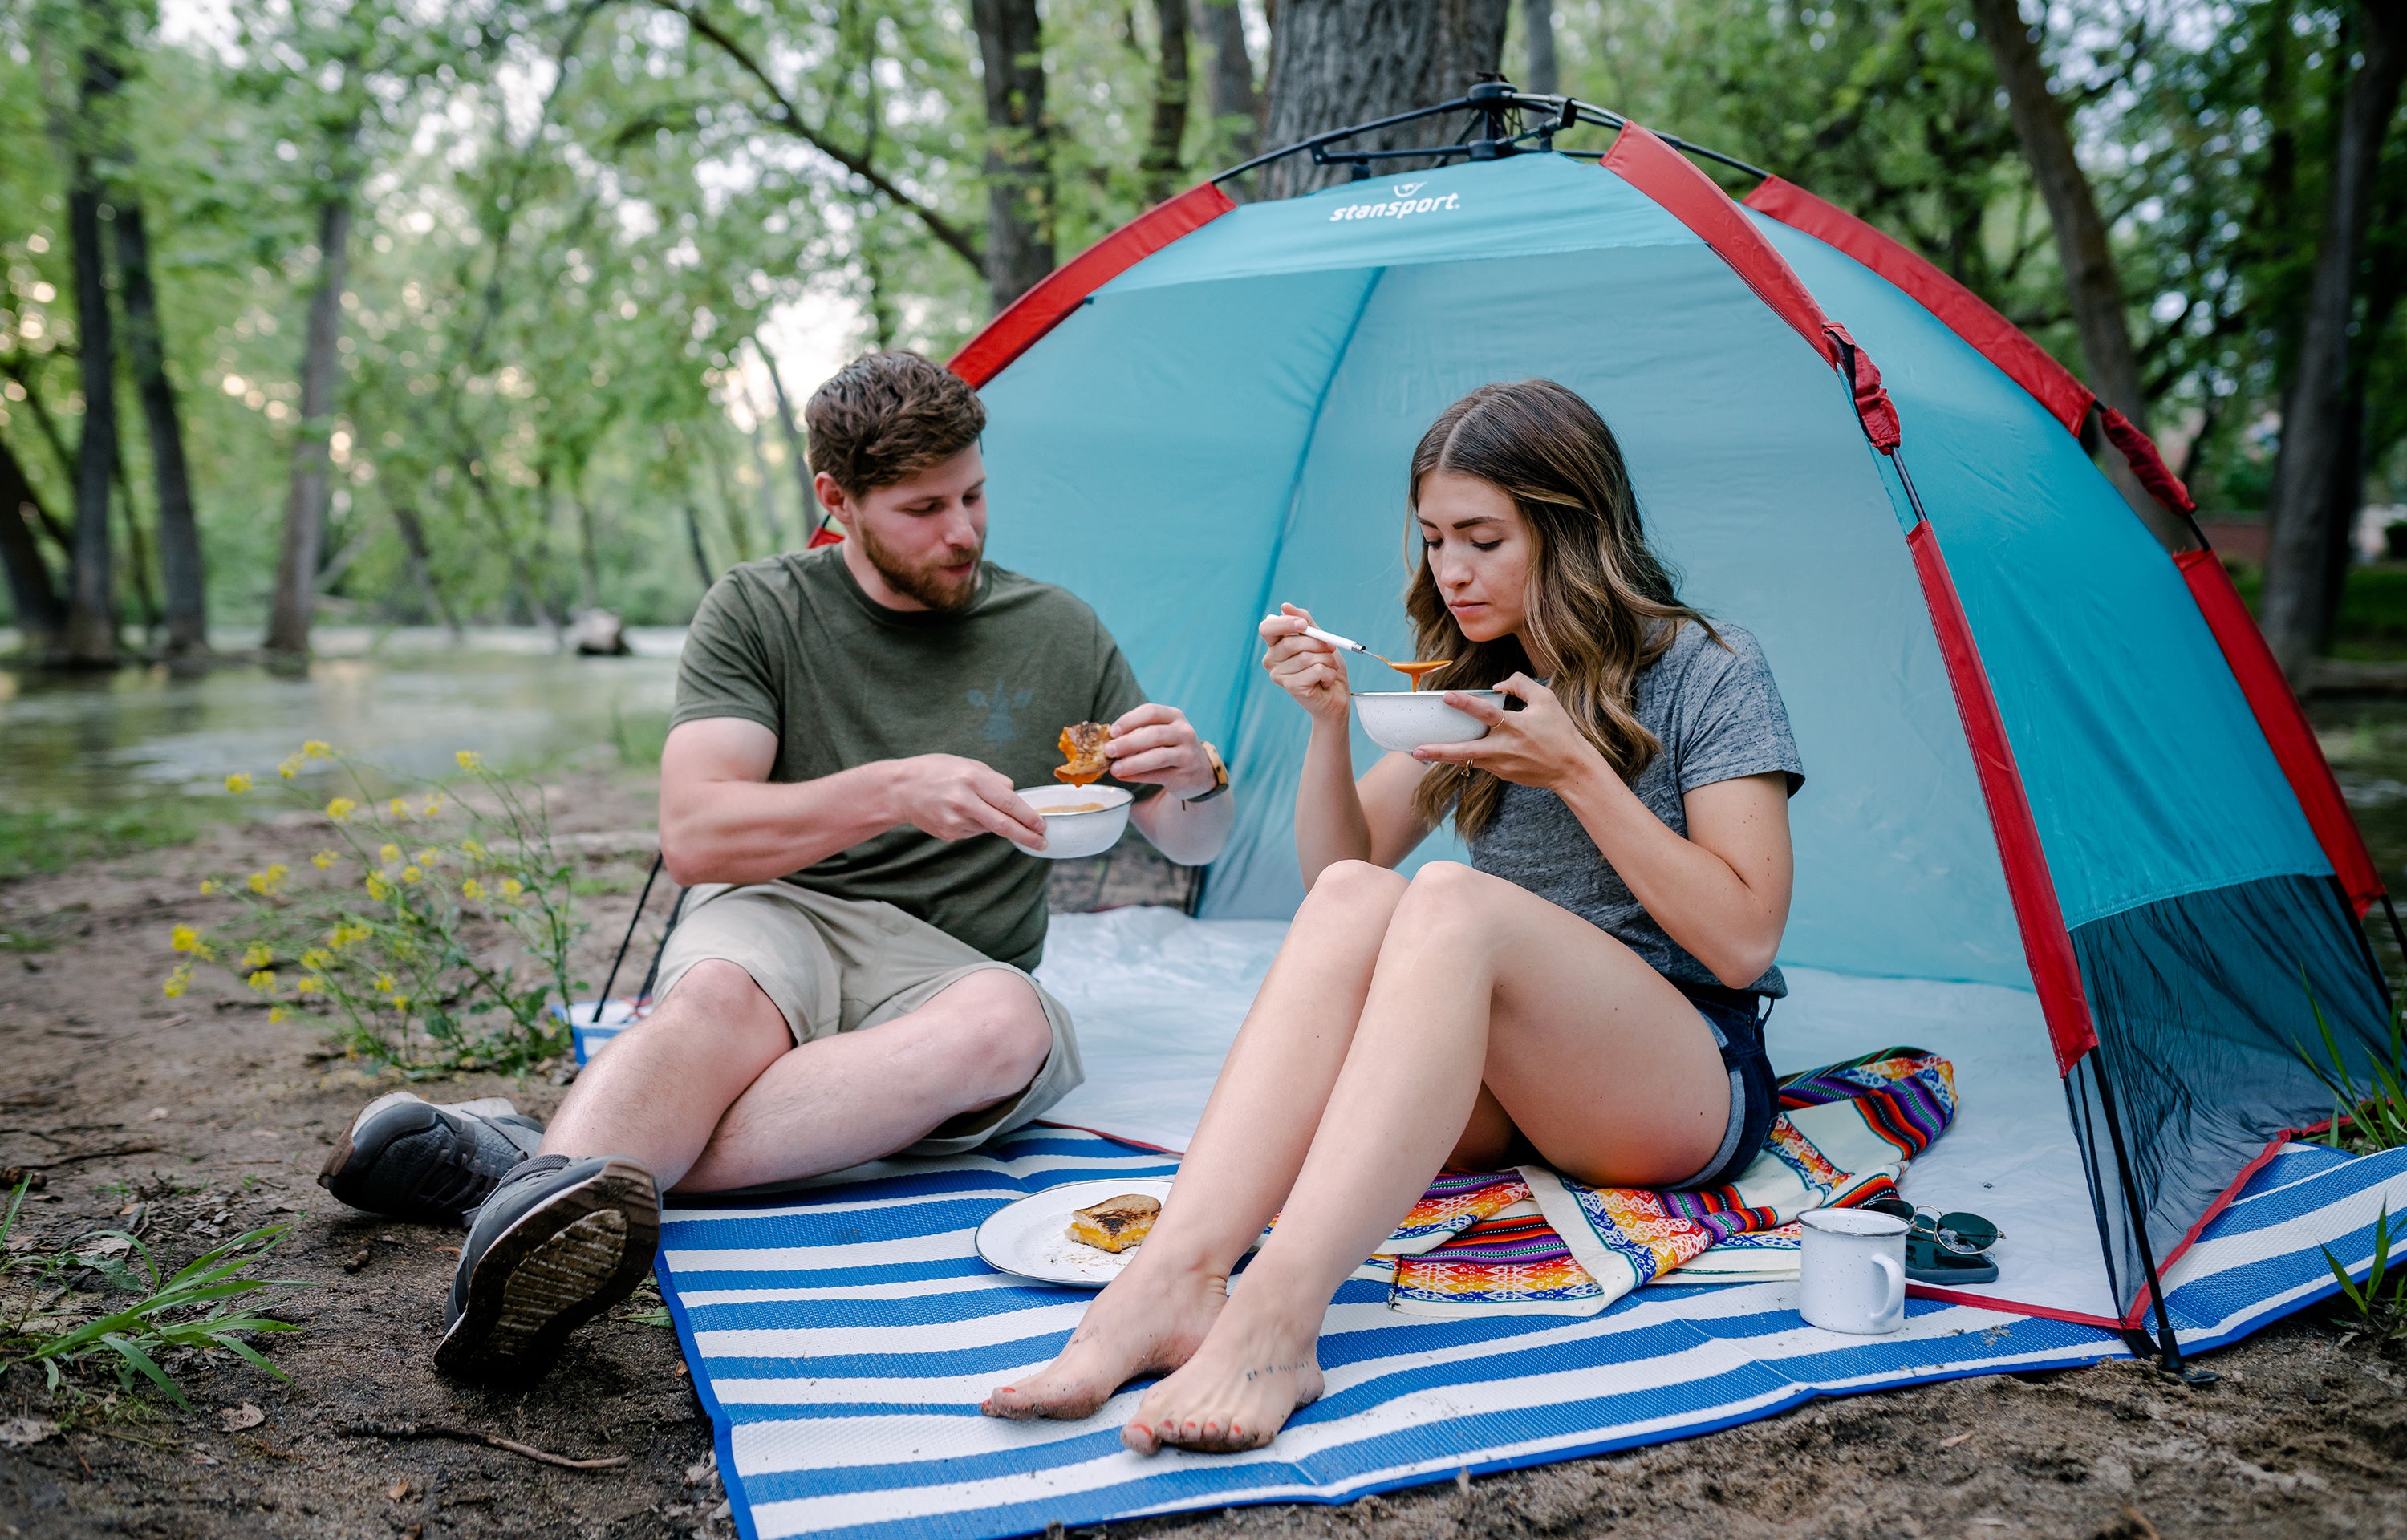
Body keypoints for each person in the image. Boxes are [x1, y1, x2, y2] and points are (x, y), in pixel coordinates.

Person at [317, 351, 1235, 1382]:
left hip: (955, 967)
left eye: (975, 495)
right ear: (835, 501)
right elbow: (698, 835)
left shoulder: (1057, 629)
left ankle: (530, 1176)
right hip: (782, 910)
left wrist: (1196, 781)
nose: (964, 531)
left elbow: (1187, 842)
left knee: (1007, 1026)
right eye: (923, 508)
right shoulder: (760, 609)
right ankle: (524, 1258)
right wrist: (889, 789)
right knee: (714, 999)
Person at [984, 378, 1803, 1453]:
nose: (1449, 572)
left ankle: (1280, 1313)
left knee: (1455, 899)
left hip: (1681, 1077)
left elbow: (1745, 941)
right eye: (1431, 540)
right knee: (1371, 895)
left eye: (1481, 538)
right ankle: (1173, 1277)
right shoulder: (1473, 680)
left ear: (1572, 531)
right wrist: (1328, 725)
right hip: (1515, 1087)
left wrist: (1579, 774)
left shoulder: (1708, 667)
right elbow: (1341, 871)